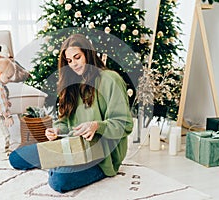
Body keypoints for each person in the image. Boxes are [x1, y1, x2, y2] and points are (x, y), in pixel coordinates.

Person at [9, 34, 133, 192]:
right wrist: (57, 130)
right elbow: (64, 121)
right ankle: (62, 162)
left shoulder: (110, 79)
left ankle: (62, 165)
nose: (73, 64)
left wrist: (97, 126)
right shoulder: (71, 83)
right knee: (16, 158)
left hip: (102, 155)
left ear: (88, 54)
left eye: (77, 57)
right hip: (71, 145)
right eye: (69, 61)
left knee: (58, 182)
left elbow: (125, 124)